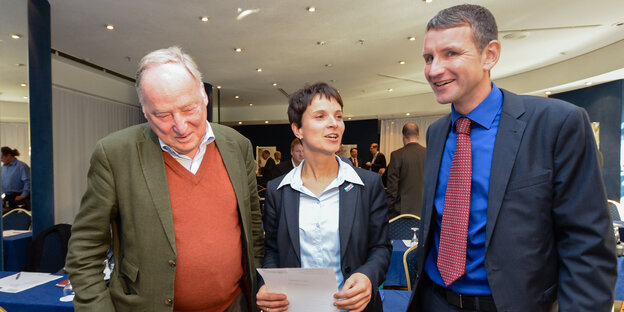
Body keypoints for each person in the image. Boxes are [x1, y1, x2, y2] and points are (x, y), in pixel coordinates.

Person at [407, 4, 616, 312]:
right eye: (429, 57)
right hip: (436, 300)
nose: (434, 69)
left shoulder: (556, 123)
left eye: (451, 53)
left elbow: (587, 246)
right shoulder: (438, 133)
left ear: (489, 54)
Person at [66, 46, 264, 312]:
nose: (180, 127)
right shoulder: (114, 154)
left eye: (188, 109)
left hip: (235, 305)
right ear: (145, 112)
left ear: (204, 98)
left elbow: (253, 229)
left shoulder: (237, 145)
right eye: (163, 115)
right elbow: (85, 251)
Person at [257, 82, 391, 312]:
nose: (334, 123)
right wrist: (266, 285)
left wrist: (368, 277)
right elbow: (272, 250)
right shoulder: (277, 190)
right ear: (298, 129)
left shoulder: (367, 185)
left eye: (338, 116)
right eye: (320, 116)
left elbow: (380, 247)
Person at [385, 123, 426, 218]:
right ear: (418, 135)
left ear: (403, 135)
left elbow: (392, 187)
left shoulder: (396, 155)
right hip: (424, 210)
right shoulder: (428, 153)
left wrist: (389, 208)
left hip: (401, 212)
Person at [0, 146, 30, 211]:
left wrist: (23, 195)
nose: (1, 160)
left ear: (9, 155)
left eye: (2, 157)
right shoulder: (3, 168)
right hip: (7, 197)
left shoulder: (21, 166)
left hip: (19, 197)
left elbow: (27, 181)